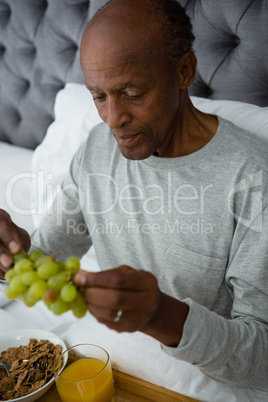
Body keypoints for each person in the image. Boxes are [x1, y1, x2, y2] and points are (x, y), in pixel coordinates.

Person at [0, 0, 268, 389]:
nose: (113, 119)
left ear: (184, 70)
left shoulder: (252, 178)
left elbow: (261, 358)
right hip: (112, 367)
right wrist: (12, 256)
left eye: (131, 92)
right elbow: (46, 258)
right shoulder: (96, 149)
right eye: (99, 96)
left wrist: (159, 315)